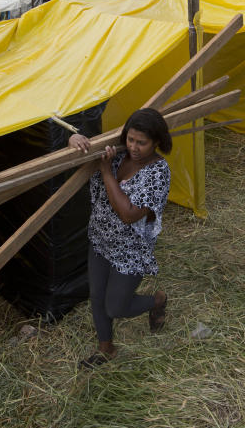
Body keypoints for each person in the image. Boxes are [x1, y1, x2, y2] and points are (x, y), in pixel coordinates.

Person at [68, 108, 172, 368]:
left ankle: (157, 300)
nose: (134, 147)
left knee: (116, 307)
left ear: (156, 141)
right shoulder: (116, 155)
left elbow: (128, 214)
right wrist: (73, 142)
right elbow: (82, 157)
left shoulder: (158, 172)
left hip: (130, 249)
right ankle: (106, 348)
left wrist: (105, 172)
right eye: (131, 139)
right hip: (101, 239)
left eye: (142, 142)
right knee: (97, 296)